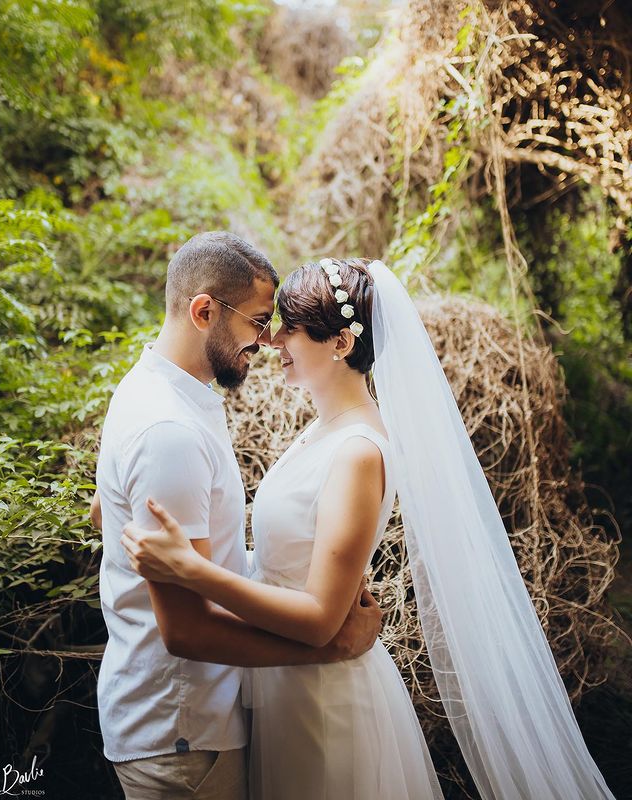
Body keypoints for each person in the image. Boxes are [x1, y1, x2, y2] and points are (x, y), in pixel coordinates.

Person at [122, 257, 617, 800]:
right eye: (274, 323)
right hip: (283, 688)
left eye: (291, 327)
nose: (274, 340)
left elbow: (318, 621)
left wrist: (193, 572)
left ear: (338, 344)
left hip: (326, 704)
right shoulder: (321, 430)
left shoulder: (358, 450)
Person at [92, 235, 382, 800]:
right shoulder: (168, 430)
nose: (268, 339)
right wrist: (331, 647)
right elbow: (187, 629)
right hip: (184, 734)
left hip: (203, 718)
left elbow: (106, 510)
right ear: (204, 312)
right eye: (256, 321)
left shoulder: (165, 391)